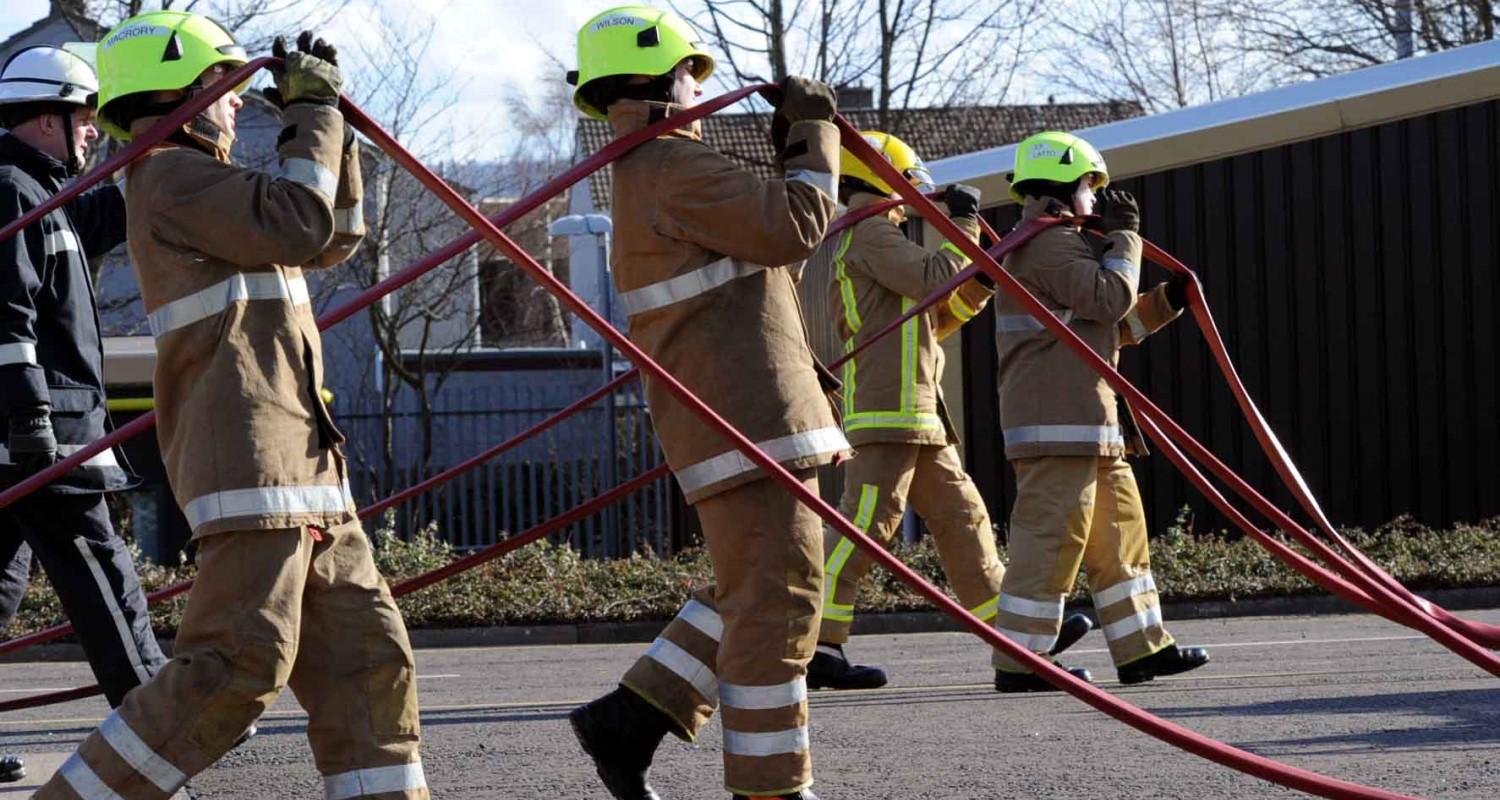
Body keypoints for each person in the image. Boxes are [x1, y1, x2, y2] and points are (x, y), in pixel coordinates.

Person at [37, 12, 426, 799]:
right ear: (180, 91)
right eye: (225, 85)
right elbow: (302, 217)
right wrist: (310, 113)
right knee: (230, 670)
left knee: (365, 664)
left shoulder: (212, 183)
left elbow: (332, 232)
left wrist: (329, 120)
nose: (239, 102)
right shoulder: (173, 179)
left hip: (305, 463)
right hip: (255, 466)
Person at [564, 6, 845, 799]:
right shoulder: (670, 167)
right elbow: (795, 224)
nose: (701, 85)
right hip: (747, 422)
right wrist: (812, 134)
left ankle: (632, 716)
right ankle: (770, 787)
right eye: (695, 71)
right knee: (780, 608)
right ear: (667, 75)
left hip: (740, 420)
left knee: (749, 590)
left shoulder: (656, 169)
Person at [808, 131, 1095, 693]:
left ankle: (1014, 639)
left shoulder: (882, 239)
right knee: (867, 525)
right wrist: (964, 224)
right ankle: (816, 642)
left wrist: (983, 277)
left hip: (917, 412)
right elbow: (937, 278)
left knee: (965, 522)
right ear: (880, 178)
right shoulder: (868, 233)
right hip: (886, 410)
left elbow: (934, 315)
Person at [0, 45, 171, 785]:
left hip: (36, 427)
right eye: (85, 118)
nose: (95, 132)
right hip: (41, 431)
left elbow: (112, 211)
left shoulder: (44, 192)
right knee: (101, 571)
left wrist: (163, 125)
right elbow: (7, 316)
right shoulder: (10, 187)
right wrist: (31, 418)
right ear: (48, 118)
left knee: (0, 583)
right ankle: (164, 723)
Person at [989, 130, 1209, 691]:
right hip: (1059, 426)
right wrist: (1126, 237)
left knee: (1120, 539)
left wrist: (1166, 303)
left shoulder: (1058, 246)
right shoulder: (1046, 244)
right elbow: (1109, 300)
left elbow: (1107, 329)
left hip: (1089, 425)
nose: (1097, 198)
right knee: (1050, 543)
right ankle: (1021, 662)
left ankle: (1141, 650)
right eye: (1091, 185)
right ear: (1065, 187)